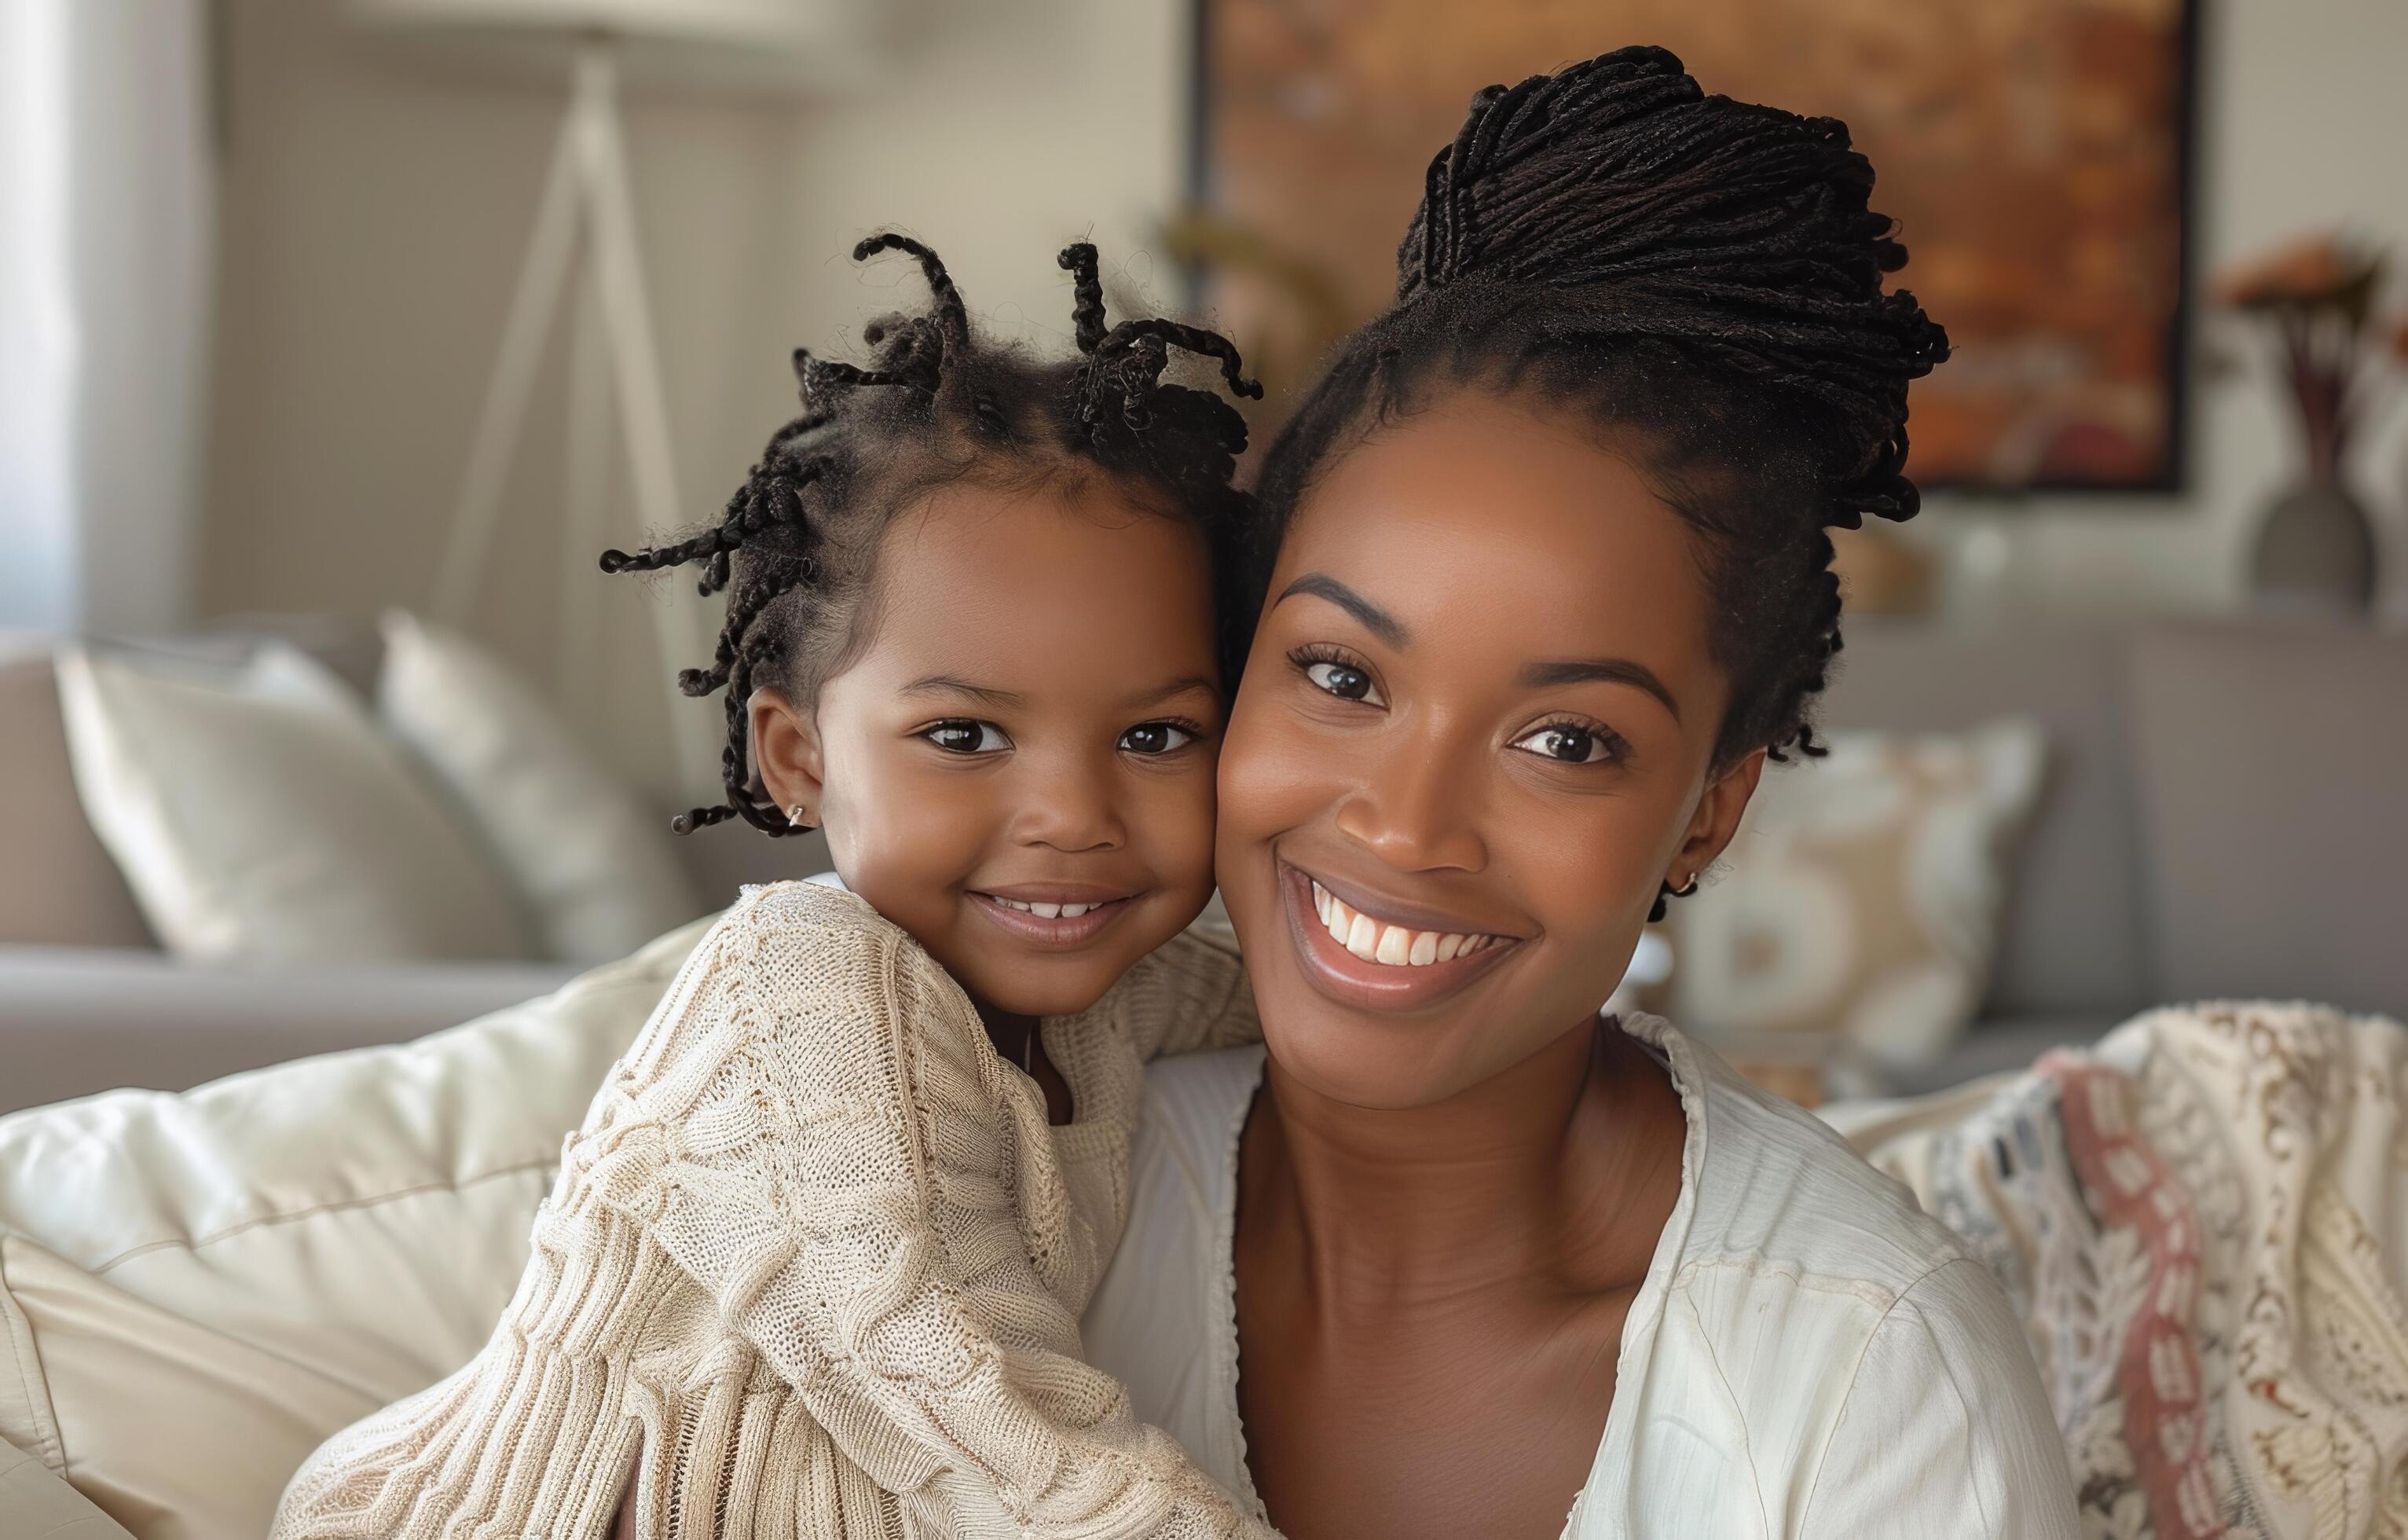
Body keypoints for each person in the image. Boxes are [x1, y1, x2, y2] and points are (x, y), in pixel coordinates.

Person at [1076, 47, 2080, 1538]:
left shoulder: (1858, 1374)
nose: (1406, 825)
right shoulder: (1022, 1195)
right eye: (1344, 676)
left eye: (1567, 740)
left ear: (1711, 810)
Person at [272, 236, 1275, 1538]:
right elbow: (976, 1409)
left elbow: (1272, 987)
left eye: (1154, 737)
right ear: (797, 756)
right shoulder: (811, 987)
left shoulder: (1104, 994)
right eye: (965, 736)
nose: (1074, 820)